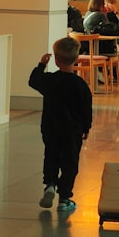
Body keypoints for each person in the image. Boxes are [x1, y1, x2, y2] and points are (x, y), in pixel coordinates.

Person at [28, 37, 93, 212]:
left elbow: (33, 80)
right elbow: (86, 108)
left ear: (56, 60)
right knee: (70, 162)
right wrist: (86, 127)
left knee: (51, 156)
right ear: (77, 59)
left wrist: (41, 64)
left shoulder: (50, 81)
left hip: (50, 128)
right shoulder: (80, 85)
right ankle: (64, 197)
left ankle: (49, 184)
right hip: (72, 131)